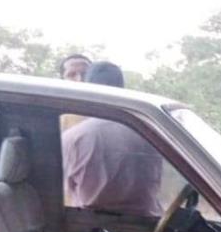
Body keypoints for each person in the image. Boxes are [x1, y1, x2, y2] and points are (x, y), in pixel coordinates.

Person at [61, 61, 163, 217]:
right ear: (121, 88)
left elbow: (64, 189)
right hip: (147, 226)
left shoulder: (73, 137)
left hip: (88, 228)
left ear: (87, 89)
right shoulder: (150, 134)